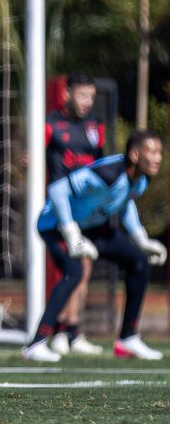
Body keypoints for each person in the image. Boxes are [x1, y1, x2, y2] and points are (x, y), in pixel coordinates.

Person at [21, 130, 167, 362]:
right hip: (56, 223)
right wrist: (70, 233)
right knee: (74, 272)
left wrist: (141, 238)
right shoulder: (109, 172)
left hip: (93, 226)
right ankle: (36, 343)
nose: (158, 157)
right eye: (153, 152)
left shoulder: (143, 178)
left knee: (139, 262)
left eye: (160, 152)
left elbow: (124, 200)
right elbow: (57, 191)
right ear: (135, 154)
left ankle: (127, 339)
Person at [45, 72, 105, 356]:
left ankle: (72, 331)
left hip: (86, 209)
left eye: (91, 97)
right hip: (61, 208)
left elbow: (100, 163)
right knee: (76, 267)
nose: (87, 102)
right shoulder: (51, 123)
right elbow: (35, 152)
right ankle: (60, 329)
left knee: (85, 268)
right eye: (82, 95)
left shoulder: (95, 127)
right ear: (67, 94)